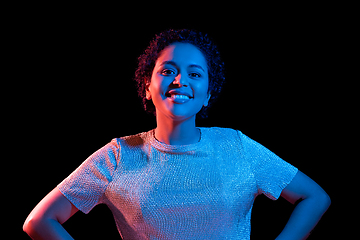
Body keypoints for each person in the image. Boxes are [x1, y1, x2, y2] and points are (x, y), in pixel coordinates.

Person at [23, 29, 331, 240]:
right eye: (167, 70)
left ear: (208, 93)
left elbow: (314, 197)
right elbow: (39, 222)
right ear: (147, 86)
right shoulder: (119, 154)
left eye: (195, 74)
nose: (180, 79)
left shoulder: (237, 146)